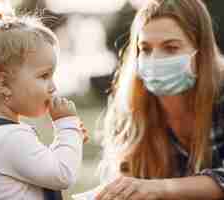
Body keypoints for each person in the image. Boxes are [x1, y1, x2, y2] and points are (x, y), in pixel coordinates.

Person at [95, 0, 224, 199]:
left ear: (201, 52)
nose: (155, 59)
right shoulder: (128, 108)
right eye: (145, 49)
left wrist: (159, 188)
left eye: (171, 48)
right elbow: (123, 179)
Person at [0, 2, 88, 200]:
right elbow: (63, 175)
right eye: (44, 76)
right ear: (3, 83)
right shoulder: (7, 137)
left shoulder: (0, 134)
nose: (53, 87)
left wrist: (69, 139)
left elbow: (45, 170)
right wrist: (66, 128)